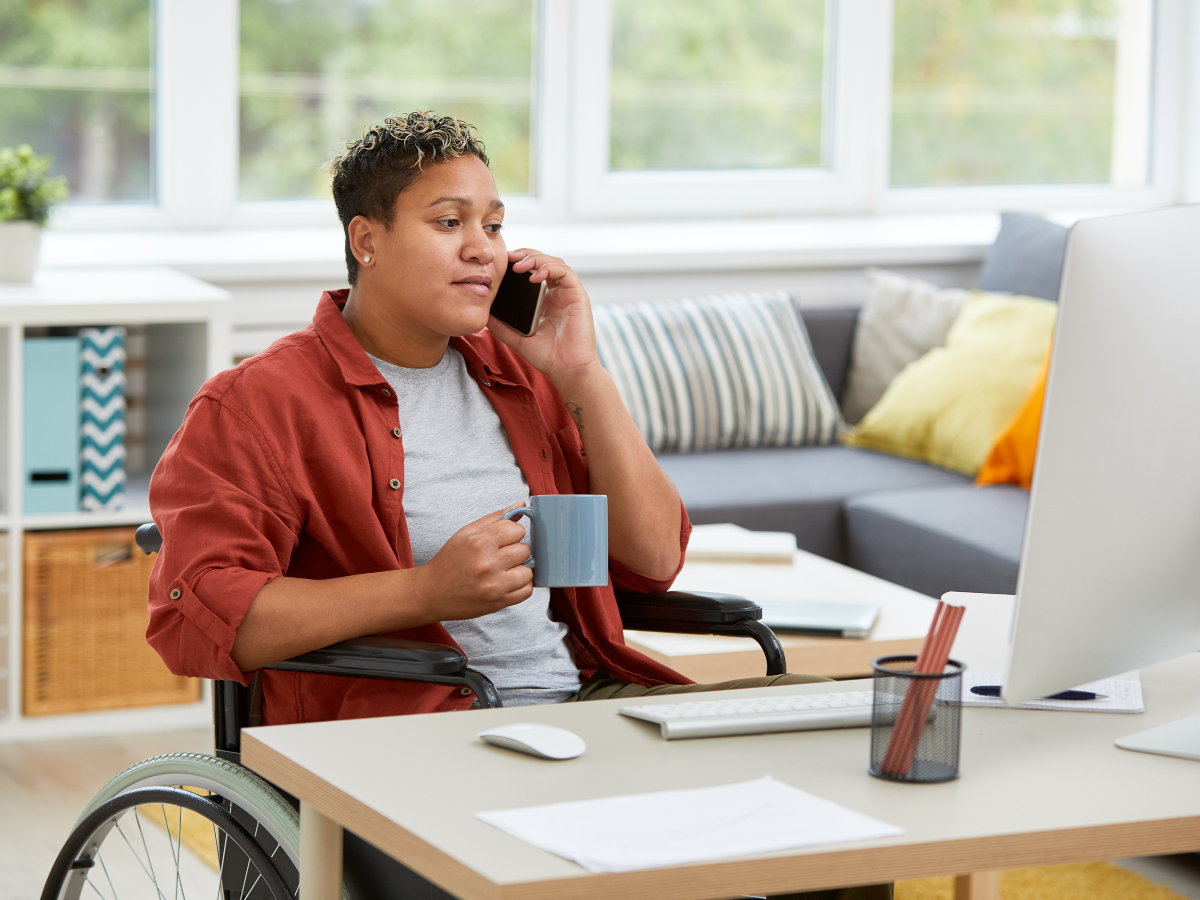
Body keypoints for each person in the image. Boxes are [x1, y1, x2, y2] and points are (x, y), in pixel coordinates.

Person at [145, 110, 890, 900]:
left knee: (834, 814)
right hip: (408, 735)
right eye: (449, 222)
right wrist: (427, 592)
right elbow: (199, 619)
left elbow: (654, 556)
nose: (482, 248)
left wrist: (583, 375)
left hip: (581, 708)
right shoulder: (256, 404)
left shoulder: (517, 375)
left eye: (495, 225)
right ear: (367, 240)